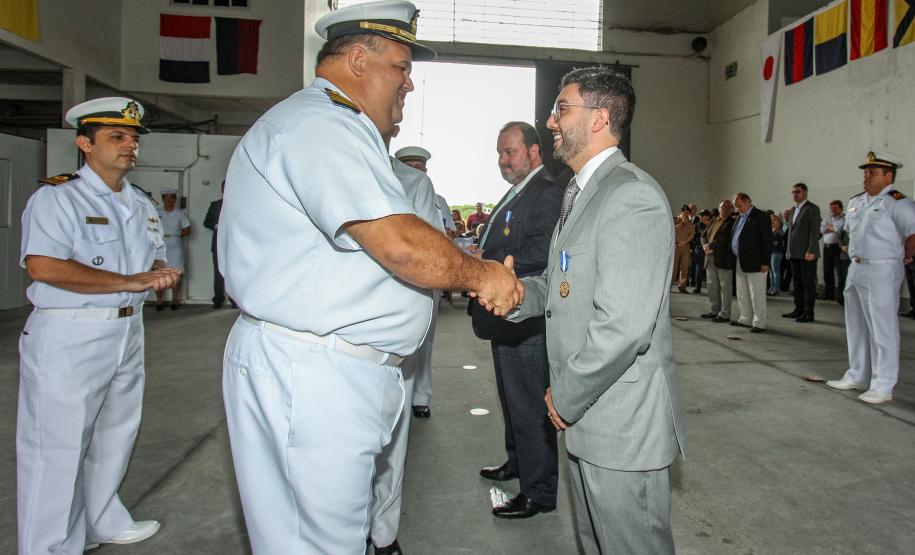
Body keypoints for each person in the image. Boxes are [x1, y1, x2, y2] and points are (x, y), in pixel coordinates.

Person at [217, 3, 522, 553]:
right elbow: (399, 242)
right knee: (316, 543)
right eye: (401, 67)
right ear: (358, 60)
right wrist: (482, 276)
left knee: (333, 534)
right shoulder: (321, 125)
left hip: (334, 367)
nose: (409, 83)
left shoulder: (338, 127)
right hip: (312, 372)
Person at [505, 66, 685, 554]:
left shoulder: (631, 195)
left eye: (561, 109)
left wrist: (565, 396)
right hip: (589, 416)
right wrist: (516, 294)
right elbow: (562, 283)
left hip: (620, 424)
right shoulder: (582, 191)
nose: (551, 120)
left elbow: (624, 327)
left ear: (600, 117)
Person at [17, 97, 181, 553]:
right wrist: (129, 281)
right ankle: (49, 546)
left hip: (126, 329)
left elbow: (150, 260)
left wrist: (160, 272)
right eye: (117, 136)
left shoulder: (140, 203)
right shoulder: (57, 197)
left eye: (134, 138)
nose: (130, 145)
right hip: (70, 332)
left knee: (115, 434)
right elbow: (44, 266)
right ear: (84, 144)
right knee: (57, 447)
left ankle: (102, 520)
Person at [471, 121, 563, 519]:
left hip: (525, 319)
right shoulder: (519, 191)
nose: (503, 161)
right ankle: (518, 462)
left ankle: (538, 491)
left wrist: (486, 268)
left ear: (534, 151)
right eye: (500, 153)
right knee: (512, 400)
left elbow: (541, 252)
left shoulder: (547, 193)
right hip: (504, 317)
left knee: (528, 406)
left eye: (510, 152)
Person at [370, 137, 442, 555]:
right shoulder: (415, 186)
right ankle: (381, 534)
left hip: (380, 321)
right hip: (391, 322)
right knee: (390, 438)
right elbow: (427, 247)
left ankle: (377, 533)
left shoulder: (415, 185)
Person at [827, 152, 915, 404]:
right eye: (865, 173)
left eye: (872, 173)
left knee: (882, 328)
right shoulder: (857, 201)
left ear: (888, 176)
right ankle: (856, 374)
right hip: (856, 267)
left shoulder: (898, 203)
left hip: (882, 269)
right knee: (856, 325)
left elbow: (912, 233)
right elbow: (847, 232)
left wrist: (907, 255)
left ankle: (883, 385)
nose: (866, 177)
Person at [393, 145, 440, 418]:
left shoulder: (434, 195)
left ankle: (419, 397)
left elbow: (444, 231)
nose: (414, 172)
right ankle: (407, 399)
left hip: (424, 277)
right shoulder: (408, 187)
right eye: (409, 167)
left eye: (418, 167)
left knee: (424, 341)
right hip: (413, 273)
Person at [730, 192, 772, 333]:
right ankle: (745, 318)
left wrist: (765, 262)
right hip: (740, 259)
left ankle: (759, 322)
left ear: (748, 201)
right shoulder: (739, 217)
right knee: (742, 292)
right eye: (735, 206)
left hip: (756, 262)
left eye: (739, 205)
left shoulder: (761, 216)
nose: (737, 208)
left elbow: (767, 241)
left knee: (756, 293)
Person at [783, 183, 821, 322]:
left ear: (805, 192)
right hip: (794, 252)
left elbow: (815, 231)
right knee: (797, 283)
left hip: (807, 253)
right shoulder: (793, 209)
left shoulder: (812, 208)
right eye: (793, 192)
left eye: (797, 192)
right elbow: (790, 232)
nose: (795, 194)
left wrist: (811, 250)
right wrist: (788, 249)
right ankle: (798, 309)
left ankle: (809, 312)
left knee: (808, 284)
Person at [155, 187, 191, 311]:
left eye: (172, 198)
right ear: (163, 199)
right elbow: (149, 228)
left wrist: (176, 236)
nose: (169, 200)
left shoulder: (180, 214)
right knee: (159, 273)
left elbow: (187, 230)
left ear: (175, 200)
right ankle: (159, 301)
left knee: (176, 273)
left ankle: (174, 300)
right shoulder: (156, 212)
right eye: (167, 198)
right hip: (160, 245)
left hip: (175, 245)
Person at [701, 200, 736, 322]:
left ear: (732, 209)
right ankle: (714, 311)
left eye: (728, 207)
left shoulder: (732, 222)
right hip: (709, 257)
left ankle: (725, 314)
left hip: (723, 258)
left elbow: (725, 239)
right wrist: (704, 245)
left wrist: (711, 246)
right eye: (722, 206)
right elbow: (703, 235)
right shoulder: (713, 221)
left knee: (725, 287)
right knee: (712, 286)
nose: (725, 209)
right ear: (719, 208)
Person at [203, 181, 235, 309]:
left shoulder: (238, 204)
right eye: (224, 187)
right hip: (217, 245)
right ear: (221, 189)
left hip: (234, 245)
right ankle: (218, 299)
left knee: (234, 273)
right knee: (218, 273)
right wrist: (218, 226)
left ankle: (235, 300)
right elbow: (207, 222)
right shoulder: (215, 205)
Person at [820, 200, 848, 304]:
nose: (832, 210)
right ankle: (829, 294)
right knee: (827, 272)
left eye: (835, 208)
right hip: (827, 247)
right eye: (831, 208)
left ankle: (841, 297)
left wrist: (830, 227)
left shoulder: (845, 218)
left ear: (841, 208)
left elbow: (840, 231)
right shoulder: (828, 217)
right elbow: (821, 230)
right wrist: (832, 228)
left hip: (837, 248)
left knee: (840, 273)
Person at [672, 207, 694, 293]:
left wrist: (685, 242)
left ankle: (682, 286)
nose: (686, 215)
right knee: (674, 267)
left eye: (688, 213)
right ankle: (669, 285)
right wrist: (682, 224)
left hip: (685, 246)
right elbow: (672, 230)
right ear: (681, 213)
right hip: (676, 245)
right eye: (685, 213)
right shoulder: (675, 220)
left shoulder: (690, 223)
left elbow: (692, 235)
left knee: (684, 267)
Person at [691, 209, 710, 293]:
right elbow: (693, 237)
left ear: (707, 216)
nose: (701, 217)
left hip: (710, 248)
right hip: (699, 248)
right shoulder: (697, 225)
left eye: (703, 216)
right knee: (699, 268)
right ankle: (697, 287)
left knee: (709, 269)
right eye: (700, 216)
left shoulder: (711, 225)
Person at [768, 212, 785, 295]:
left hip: (776, 252)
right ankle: (771, 287)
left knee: (775, 270)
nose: (772, 222)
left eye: (774, 220)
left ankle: (776, 289)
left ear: (778, 222)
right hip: (770, 252)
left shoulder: (779, 231)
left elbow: (775, 243)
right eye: (771, 220)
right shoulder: (770, 231)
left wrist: (770, 242)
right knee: (770, 271)